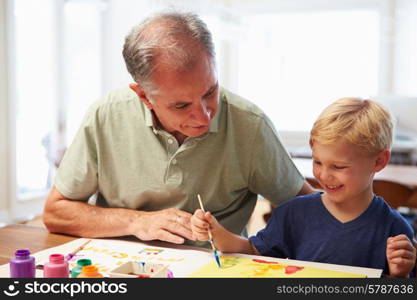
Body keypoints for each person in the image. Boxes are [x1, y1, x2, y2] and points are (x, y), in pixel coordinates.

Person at [43, 11, 314, 246]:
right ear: (144, 96)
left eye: (210, 92)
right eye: (182, 105)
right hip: (119, 269)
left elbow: (307, 210)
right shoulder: (105, 116)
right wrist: (136, 222)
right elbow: (56, 212)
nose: (204, 116)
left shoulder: (250, 125)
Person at [191, 97, 416, 277]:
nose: (324, 175)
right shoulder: (294, 213)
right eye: (317, 162)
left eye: (338, 166)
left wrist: (400, 276)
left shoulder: (395, 229)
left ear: (378, 162)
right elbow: (251, 251)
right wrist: (216, 232)